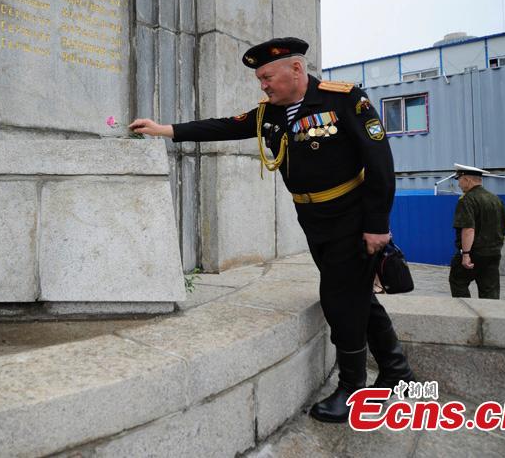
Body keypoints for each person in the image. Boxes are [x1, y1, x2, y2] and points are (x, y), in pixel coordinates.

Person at [129, 37, 414, 423]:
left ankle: (352, 389)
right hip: (315, 221)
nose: (262, 84)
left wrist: (377, 225)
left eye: (267, 77)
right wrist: (164, 129)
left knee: (338, 299)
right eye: (260, 78)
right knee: (357, 295)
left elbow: (379, 162)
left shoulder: (344, 99)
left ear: (296, 69)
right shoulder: (271, 114)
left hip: (351, 217)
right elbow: (224, 127)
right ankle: (397, 373)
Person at [449, 163, 505, 299]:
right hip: (493, 254)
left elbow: (468, 229)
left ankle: (467, 315)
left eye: (459, 180)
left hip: (473, 254)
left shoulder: (467, 200)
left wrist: (466, 254)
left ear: (467, 180)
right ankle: (490, 317)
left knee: (458, 282)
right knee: (490, 291)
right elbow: (504, 226)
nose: (459, 184)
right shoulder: (495, 199)